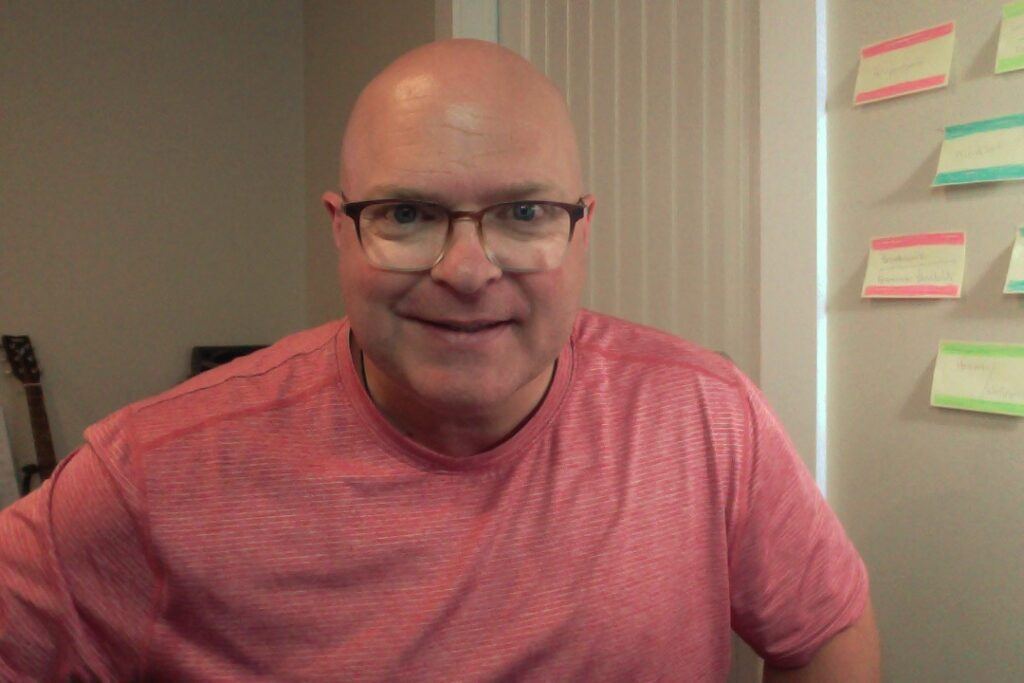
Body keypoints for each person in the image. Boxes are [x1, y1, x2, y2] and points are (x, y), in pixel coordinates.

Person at [0, 39, 880, 681]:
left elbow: (825, 629)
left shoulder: (706, 417)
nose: (466, 269)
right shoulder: (151, 476)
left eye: (525, 213)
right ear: (340, 230)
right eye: (409, 215)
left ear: (582, 232)